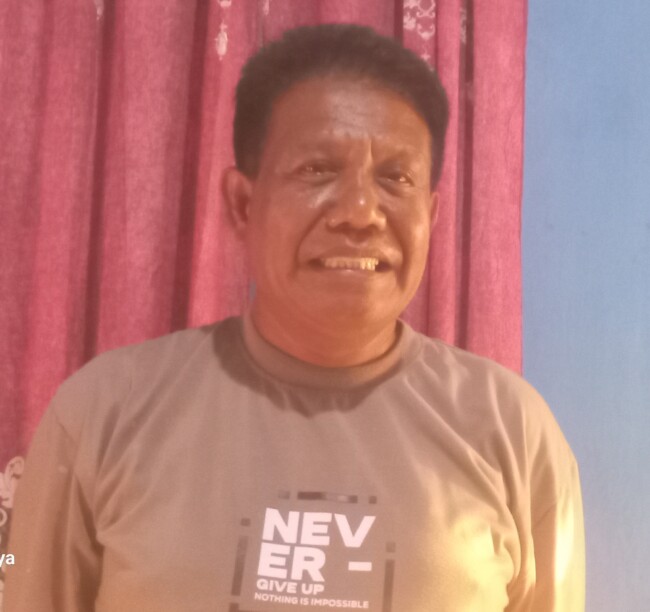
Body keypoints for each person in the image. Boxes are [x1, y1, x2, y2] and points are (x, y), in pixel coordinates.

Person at [5, 24, 585, 611]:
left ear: (430, 217)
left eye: (396, 178)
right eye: (317, 170)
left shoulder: (513, 434)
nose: (361, 213)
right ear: (242, 205)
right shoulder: (103, 415)